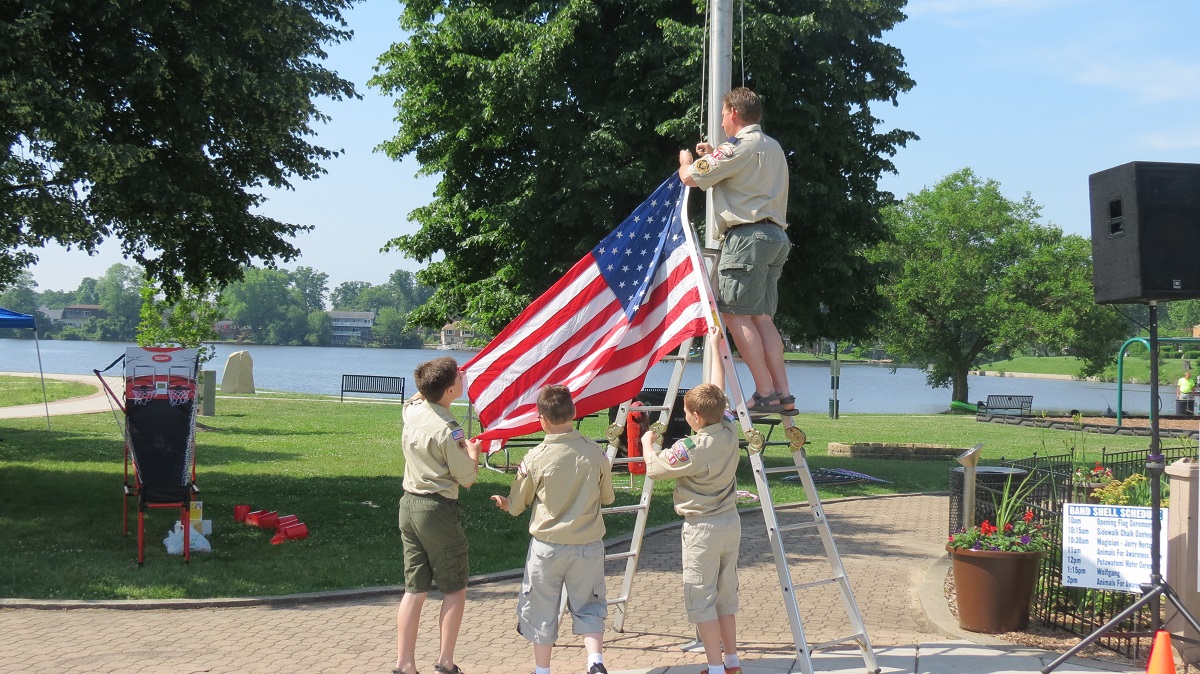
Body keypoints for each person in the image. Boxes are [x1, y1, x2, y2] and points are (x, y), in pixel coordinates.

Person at [676, 87, 795, 416]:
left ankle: (766, 393)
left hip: (746, 238)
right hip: (775, 237)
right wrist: (714, 153)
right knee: (762, 318)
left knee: (733, 314)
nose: (722, 119)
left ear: (734, 113)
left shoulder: (737, 146)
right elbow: (743, 177)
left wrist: (689, 160)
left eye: (724, 113)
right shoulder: (772, 146)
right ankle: (784, 394)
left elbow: (690, 178)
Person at [491, 385, 615, 674]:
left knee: (541, 606)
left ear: (541, 419)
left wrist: (506, 504)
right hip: (587, 544)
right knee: (589, 604)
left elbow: (518, 504)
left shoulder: (535, 457)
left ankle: (543, 669)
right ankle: (595, 661)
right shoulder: (596, 452)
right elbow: (607, 496)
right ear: (573, 412)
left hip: (547, 547)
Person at [640, 384, 743, 674]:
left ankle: (714, 666)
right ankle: (732, 661)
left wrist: (648, 443)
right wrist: (713, 346)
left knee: (701, 597)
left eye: (685, 412)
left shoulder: (692, 448)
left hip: (702, 529)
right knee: (726, 594)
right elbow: (718, 390)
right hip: (730, 522)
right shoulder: (729, 430)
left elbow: (655, 469)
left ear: (695, 417)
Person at [395, 356, 482, 674]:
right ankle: (445, 663)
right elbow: (468, 478)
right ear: (448, 390)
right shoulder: (450, 430)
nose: (462, 379)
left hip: (409, 505)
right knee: (455, 587)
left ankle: (404, 665)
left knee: (414, 589)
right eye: (459, 377)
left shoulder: (413, 412)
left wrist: (429, 382)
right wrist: (472, 453)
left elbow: (414, 398)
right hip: (437, 510)